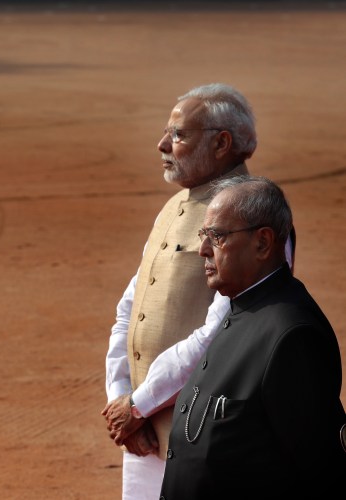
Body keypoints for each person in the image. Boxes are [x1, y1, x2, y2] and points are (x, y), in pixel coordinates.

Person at [101, 83, 295, 499]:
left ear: (222, 143)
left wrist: (138, 404)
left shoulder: (252, 217)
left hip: (204, 432)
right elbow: (129, 310)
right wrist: (120, 398)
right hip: (142, 429)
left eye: (178, 135)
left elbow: (225, 332)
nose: (162, 144)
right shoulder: (174, 206)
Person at [160, 175, 345, 499]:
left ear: (262, 243)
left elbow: (324, 473)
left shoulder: (292, 335)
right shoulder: (242, 309)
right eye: (204, 235)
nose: (203, 250)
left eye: (217, 237)